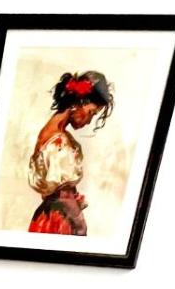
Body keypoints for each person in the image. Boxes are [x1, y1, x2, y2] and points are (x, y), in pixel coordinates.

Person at [27, 71, 114, 235]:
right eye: (91, 113)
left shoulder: (52, 134)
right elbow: (63, 196)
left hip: (50, 217)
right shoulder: (58, 141)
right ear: (79, 103)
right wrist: (79, 225)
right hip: (59, 220)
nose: (89, 121)